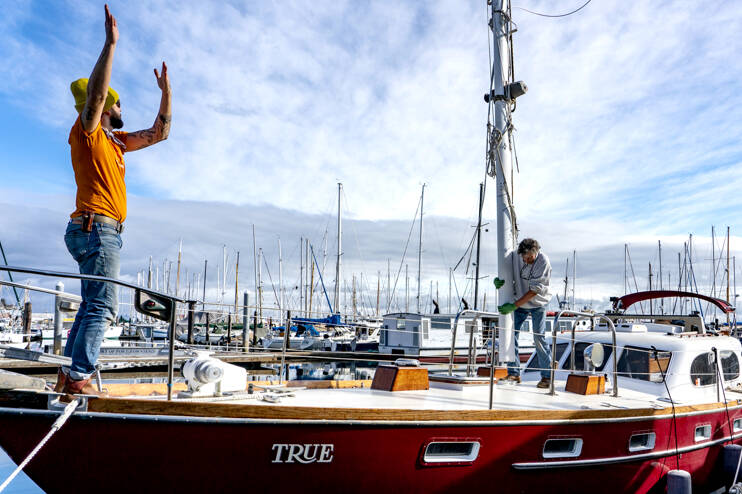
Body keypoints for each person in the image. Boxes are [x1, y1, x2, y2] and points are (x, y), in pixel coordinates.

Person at [56, 4, 172, 396]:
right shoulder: (87, 130)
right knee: (104, 307)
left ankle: (68, 374)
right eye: (118, 103)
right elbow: (98, 93)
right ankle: (78, 377)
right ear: (105, 107)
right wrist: (110, 44)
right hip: (97, 229)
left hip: (97, 230)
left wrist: (167, 94)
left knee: (92, 305)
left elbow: (160, 134)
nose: (122, 108)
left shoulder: (117, 142)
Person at [495, 238, 552, 388]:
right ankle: (514, 373)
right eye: (524, 258)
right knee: (510, 335)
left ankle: (547, 376)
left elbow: (534, 291)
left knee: (539, 338)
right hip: (519, 300)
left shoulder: (543, 261)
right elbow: (506, 273)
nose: (526, 261)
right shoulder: (515, 256)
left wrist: (513, 306)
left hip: (538, 303)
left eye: (529, 258)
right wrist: (499, 281)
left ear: (536, 252)